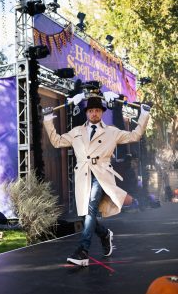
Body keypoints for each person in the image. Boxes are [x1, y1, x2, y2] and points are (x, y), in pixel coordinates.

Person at [43, 95, 150, 266]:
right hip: (82, 175)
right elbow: (56, 142)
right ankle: (105, 234)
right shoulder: (76, 131)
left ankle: (83, 250)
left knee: (91, 206)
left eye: (97, 110)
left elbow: (135, 136)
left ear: (101, 113)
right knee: (87, 215)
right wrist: (48, 120)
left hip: (101, 174)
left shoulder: (112, 131)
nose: (94, 113)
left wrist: (143, 115)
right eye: (91, 110)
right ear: (87, 113)